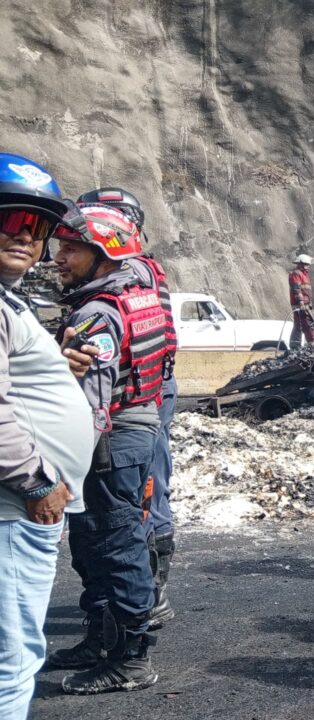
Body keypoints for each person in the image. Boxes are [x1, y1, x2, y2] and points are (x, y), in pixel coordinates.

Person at [46, 204, 162, 694]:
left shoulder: (96, 313)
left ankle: (128, 659)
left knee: (113, 545)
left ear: (105, 253)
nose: (58, 258)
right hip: (132, 432)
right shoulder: (135, 291)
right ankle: (100, 640)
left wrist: (62, 472)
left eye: (71, 248)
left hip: (111, 441)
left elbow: (91, 405)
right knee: (100, 543)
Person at [0, 154, 93, 718]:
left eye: (37, 228)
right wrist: (35, 482)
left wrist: (55, 366)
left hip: (17, 506)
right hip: (16, 506)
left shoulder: (8, 301)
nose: (27, 237)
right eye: (11, 221)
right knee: (13, 660)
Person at [78, 187, 179, 629]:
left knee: (129, 505)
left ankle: (140, 603)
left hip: (134, 396)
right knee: (146, 489)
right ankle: (137, 599)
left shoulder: (124, 274)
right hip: (149, 387)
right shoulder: (142, 270)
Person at [289, 253, 314, 346]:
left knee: (299, 325)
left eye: (308, 265)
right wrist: (301, 302)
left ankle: (295, 346)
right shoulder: (297, 273)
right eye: (306, 264)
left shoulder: (304, 275)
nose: (307, 267)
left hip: (304, 305)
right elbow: (296, 289)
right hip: (300, 305)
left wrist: (309, 304)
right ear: (300, 264)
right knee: (308, 324)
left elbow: (306, 292)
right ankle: (312, 343)